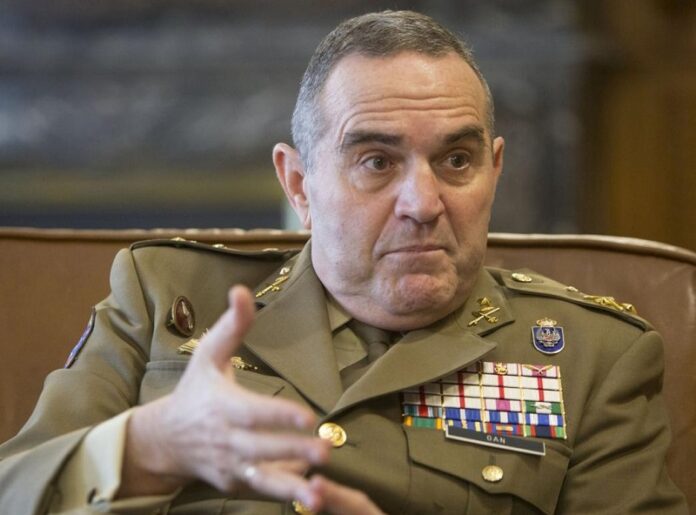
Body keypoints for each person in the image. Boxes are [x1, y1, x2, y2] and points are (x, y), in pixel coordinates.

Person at [0, 10, 688, 515]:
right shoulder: (166, 298)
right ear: (298, 184)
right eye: (376, 162)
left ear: (495, 170)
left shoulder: (592, 357)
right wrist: (151, 446)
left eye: (456, 159)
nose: (423, 202)